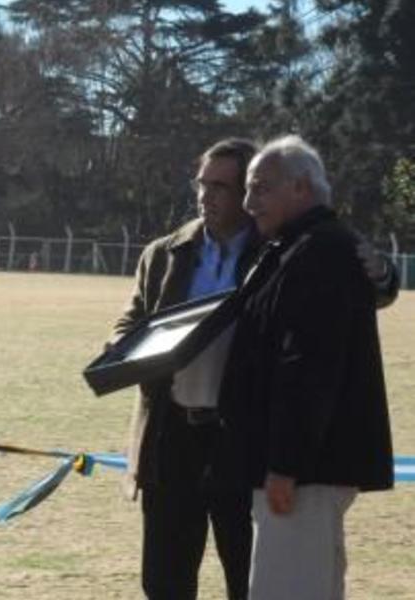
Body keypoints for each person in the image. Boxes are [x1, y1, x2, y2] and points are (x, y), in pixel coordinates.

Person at [111, 138, 398, 600]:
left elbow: (348, 300)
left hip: (240, 440)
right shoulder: (166, 252)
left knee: (250, 575)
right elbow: (131, 322)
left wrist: (382, 271)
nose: (210, 196)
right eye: (203, 184)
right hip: (172, 435)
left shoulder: (282, 246)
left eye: (223, 186)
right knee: (165, 579)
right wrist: (122, 354)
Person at [219, 135, 393, 599]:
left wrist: (285, 465)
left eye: (262, 188)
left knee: (286, 589)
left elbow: (308, 366)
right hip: (298, 468)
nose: (249, 201)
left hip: (304, 474)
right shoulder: (294, 248)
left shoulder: (319, 251)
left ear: (300, 188)